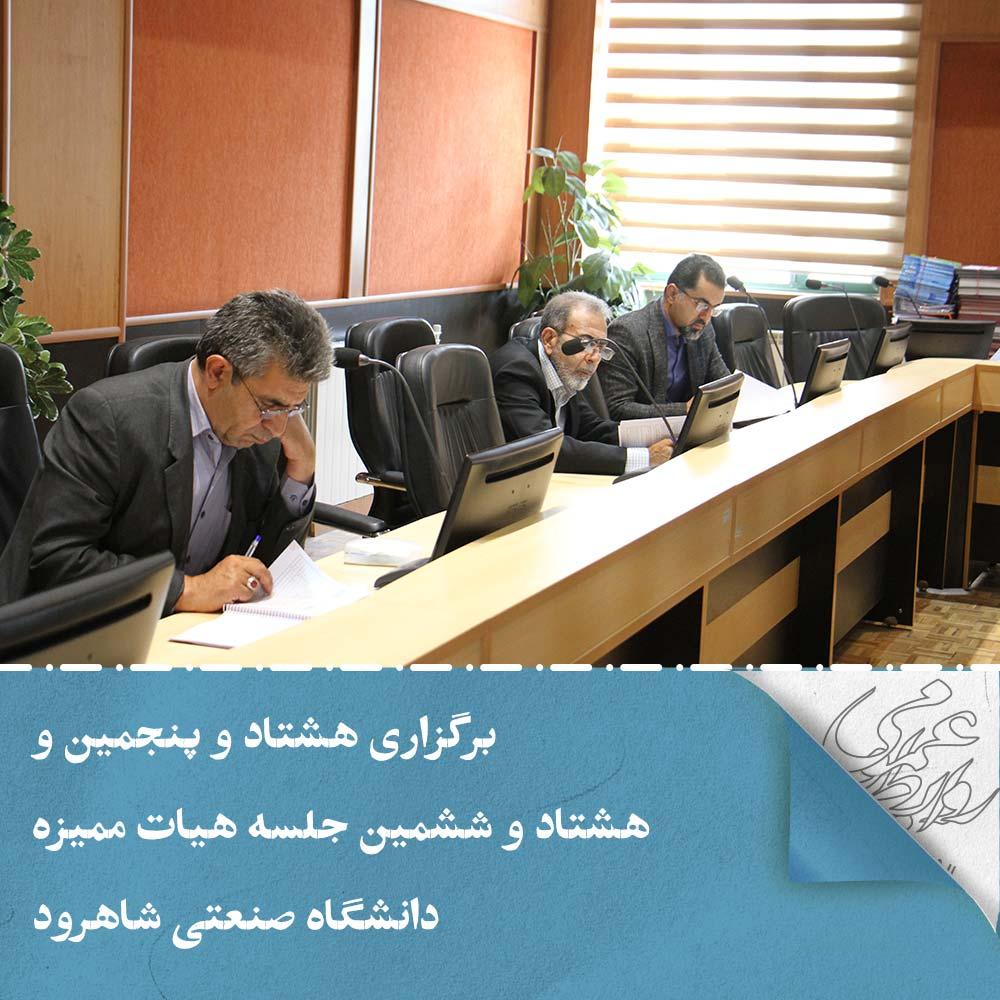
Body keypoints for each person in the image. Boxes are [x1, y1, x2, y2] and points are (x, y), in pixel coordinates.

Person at [0, 289, 332, 613]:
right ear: (218, 372)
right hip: (87, 628)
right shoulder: (104, 417)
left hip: (197, 630)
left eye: (293, 409)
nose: (277, 428)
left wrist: (301, 467)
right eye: (269, 407)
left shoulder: (261, 429)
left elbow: (269, 568)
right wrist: (187, 590)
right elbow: (57, 560)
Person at [490, 291, 674, 476]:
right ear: (549, 339)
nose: (594, 357)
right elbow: (545, 449)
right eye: (586, 342)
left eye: (600, 347)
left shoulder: (564, 367)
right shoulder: (515, 371)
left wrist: (666, 432)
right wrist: (645, 458)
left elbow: (590, 429)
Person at [599, 253, 731, 420]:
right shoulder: (627, 333)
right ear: (672, 294)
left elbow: (723, 383)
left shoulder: (702, 329)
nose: (707, 317)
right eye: (702, 305)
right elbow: (616, 408)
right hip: (645, 434)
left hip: (688, 431)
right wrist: (685, 409)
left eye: (714, 308)